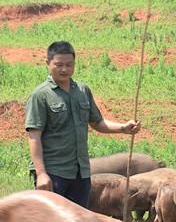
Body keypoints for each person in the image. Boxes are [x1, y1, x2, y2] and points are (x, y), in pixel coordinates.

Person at [25, 41, 141, 208]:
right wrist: (41, 173)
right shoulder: (41, 96)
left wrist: (124, 128)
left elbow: (97, 122)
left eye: (69, 64)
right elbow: (34, 136)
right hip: (54, 172)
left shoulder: (82, 91)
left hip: (81, 172)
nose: (64, 69)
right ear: (48, 63)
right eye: (59, 65)